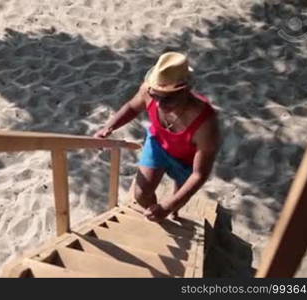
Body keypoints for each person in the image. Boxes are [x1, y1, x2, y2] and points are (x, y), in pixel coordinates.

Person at [93, 52, 220, 222]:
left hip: (188, 160)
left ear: (186, 90)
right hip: (158, 144)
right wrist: (109, 127)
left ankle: (172, 212)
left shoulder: (205, 123)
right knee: (141, 193)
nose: (159, 104)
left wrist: (169, 206)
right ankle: (156, 214)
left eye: (168, 98)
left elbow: (199, 174)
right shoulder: (148, 90)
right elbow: (132, 107)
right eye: (155, 96)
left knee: (178, 199)